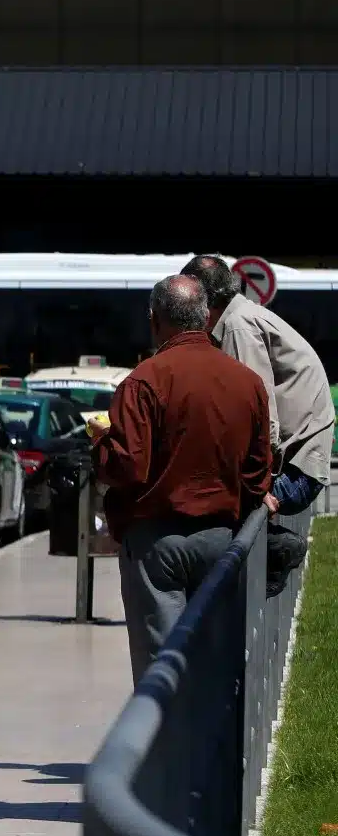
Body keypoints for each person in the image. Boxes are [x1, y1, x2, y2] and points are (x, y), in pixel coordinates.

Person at [93, 275, 272, 681]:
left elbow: (128, 466)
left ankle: (170, 743)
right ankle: (214, 742)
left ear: (155, 320)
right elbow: (258, 470)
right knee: (216, 665)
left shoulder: (143, 381)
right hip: (224, 539)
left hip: (156, 544)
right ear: (207, 317)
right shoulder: (249, 383)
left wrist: (102, 445)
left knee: (162, 671)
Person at [179, 255, 334, 517]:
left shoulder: (237, 326)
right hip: (299, 466)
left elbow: (259, 412)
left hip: (293, 474)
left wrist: (257, 481)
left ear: (202, 299)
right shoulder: (243, 315)